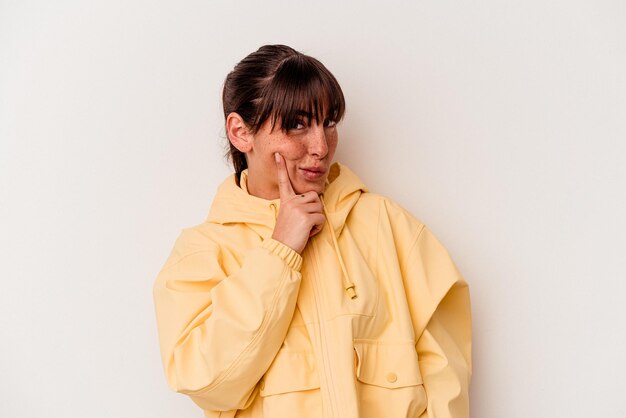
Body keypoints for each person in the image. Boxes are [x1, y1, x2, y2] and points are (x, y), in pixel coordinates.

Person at [152, 44, 472, 418]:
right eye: (297, 124)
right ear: (241, 132)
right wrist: (280, 249)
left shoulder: (387, 225)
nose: (321, 146)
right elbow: (208, 383)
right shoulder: (203, 252)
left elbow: (446, 373)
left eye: (329, 122)